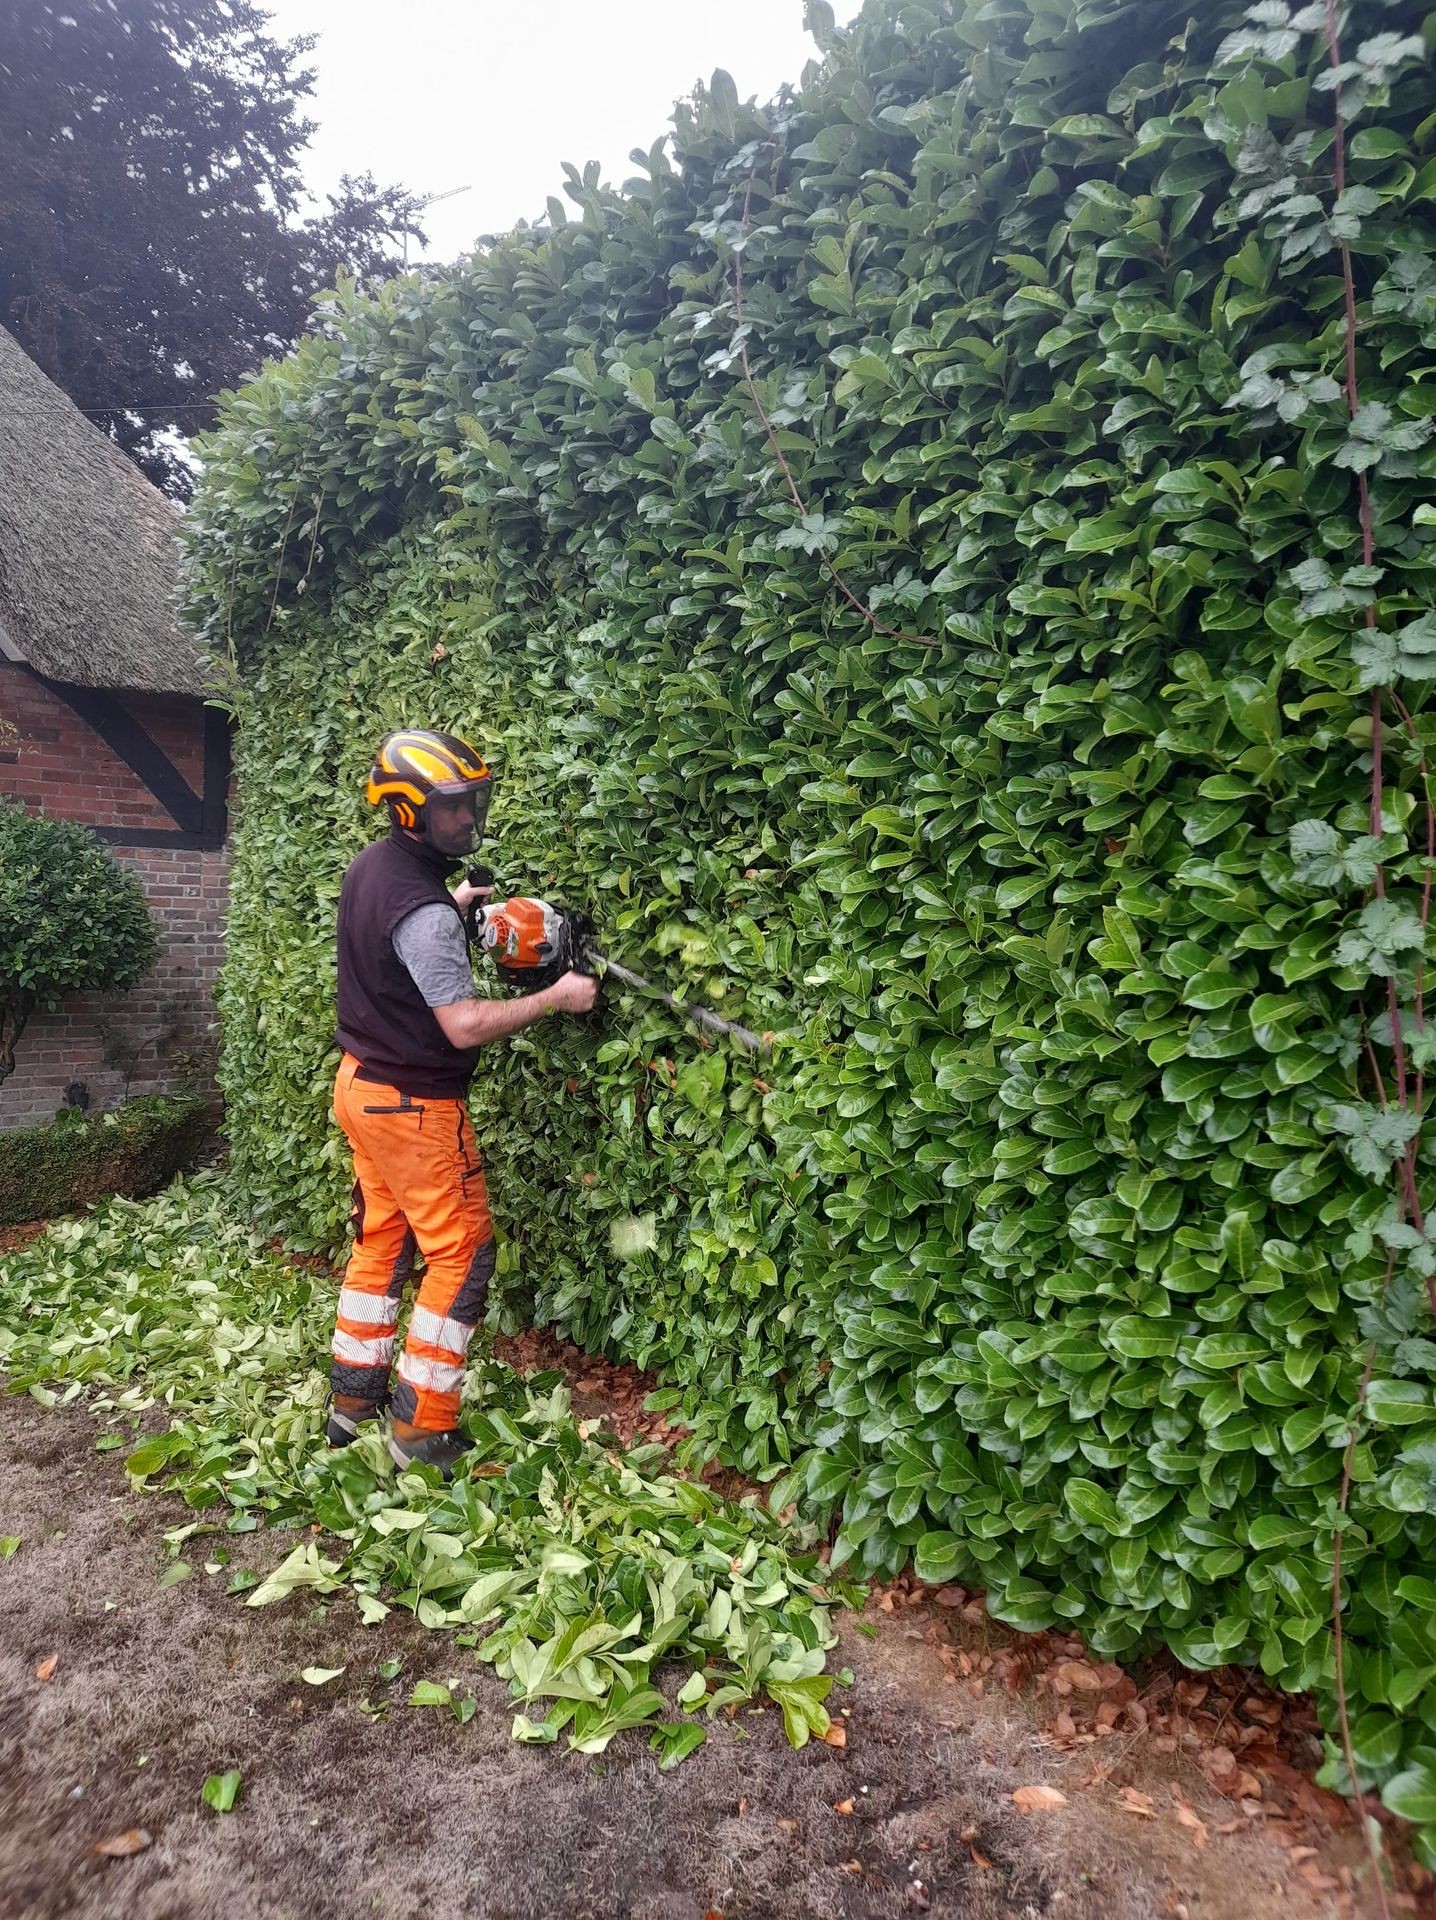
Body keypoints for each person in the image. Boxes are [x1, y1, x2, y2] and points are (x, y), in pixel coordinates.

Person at [326, 727, 597, 1474]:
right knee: (463, 1255)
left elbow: (401, 935)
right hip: (414, 1107)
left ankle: (352, 1404)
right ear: (408, 810)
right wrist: (556, 997)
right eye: (452, 807)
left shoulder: (374, 871)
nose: (469, 817)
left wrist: (450, 904)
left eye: (474, 800)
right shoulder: (423, 912)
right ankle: (422, 1429)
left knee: (382, 1240)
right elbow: (464, 1023)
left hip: (361, 1088)